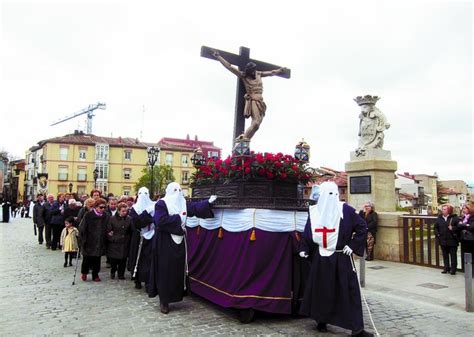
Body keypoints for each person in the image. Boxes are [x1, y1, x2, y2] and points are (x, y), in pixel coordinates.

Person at [298, 182, 372, 337]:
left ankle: (357, 329)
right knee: (321, 290)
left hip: (341, 257)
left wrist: (352, 245)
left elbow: (362, 227)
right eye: (329, 194)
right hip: (321, 257)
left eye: (335, 193)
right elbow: (307, 232)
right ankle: (321, 320)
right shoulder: (314, 212)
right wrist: (304, 248)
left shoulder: (346, 210)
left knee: (350, 291)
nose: (333, 197)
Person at [148, 182, 216, 314]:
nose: (178, 192)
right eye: (175, 190)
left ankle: (177, 294)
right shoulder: (161, 204)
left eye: (179, 190)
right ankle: (164, 300)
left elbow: (194, 208)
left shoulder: (182, 203)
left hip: (180, 241)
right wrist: (179, 217)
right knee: (165, 270)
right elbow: (160, 221)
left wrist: (207, 203)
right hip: (165, 241)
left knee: (177, 269)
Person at [212, 50, 287, 140]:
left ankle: (245, 140)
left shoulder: (258, 74)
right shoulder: (244, 76)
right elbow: (229, 67)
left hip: (260, 101)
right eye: (251, 71)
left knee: (257, 125)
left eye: (253, 70)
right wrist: (219, 57)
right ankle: (242, 141)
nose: (252, 72)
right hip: (253, 100)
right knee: (255, 123)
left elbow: (271, 73)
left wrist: (280, 70)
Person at [128, 187, 156, 290]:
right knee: (137, 257)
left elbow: (156, 219)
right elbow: (137, 223)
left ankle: (149, 281)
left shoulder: (153, 206)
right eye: (141, 193)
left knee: (149, 258)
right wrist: (147, 215)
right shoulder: (135, 208)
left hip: (152, 235)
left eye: (146, 193)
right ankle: (137, 279)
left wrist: (148, 217)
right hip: (139, 236)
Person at [79, 198, 109, 282]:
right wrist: (82, 240)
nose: (102, 209)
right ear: (96, 207)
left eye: (104, 207)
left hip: (100, 240)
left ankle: (95, 274)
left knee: (97, 259)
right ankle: (84, 272)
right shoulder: (88, 215)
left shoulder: (106, 216)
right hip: (89, 240)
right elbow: (82, 227)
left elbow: (108, 227)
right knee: (87, 258)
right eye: (101, 207)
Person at [106, 203, 132, 280]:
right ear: (119, 211)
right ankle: (113, 271)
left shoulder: (129, 219)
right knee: (114, 260)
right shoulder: (112, 219)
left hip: (124, 243)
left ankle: (121, 274)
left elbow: (130, 231)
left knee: (123, 260)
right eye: (123, 211)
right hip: (115, 243)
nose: (125, 212)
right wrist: (112, 238)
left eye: (126, 211)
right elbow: (108, 230)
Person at [434, 204, 459, 275]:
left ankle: (453, 269)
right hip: (443, 240)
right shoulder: (439, 218)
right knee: (445, 255)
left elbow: (459, 228)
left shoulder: (455, 218)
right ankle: (446, 268)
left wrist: (453, 228)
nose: (443, 210)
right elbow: (435, 227)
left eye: (445, 209)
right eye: (442, 209)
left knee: (453, 255)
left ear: (449, 210)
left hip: (452, 240)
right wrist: (437, 234)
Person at [457, 201, 474, 275]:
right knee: (466, 256)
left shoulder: (472, 216)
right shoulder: (463, 217)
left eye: (465, 208)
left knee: (472, 256)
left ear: (469, 209)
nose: (463, 210)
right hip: (464, 239)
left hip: (471, 240)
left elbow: (471, 227)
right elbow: (458, 226)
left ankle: (472, 272)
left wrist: (463, 225)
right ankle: (467, 272)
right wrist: (465, 225)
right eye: (463, 208)